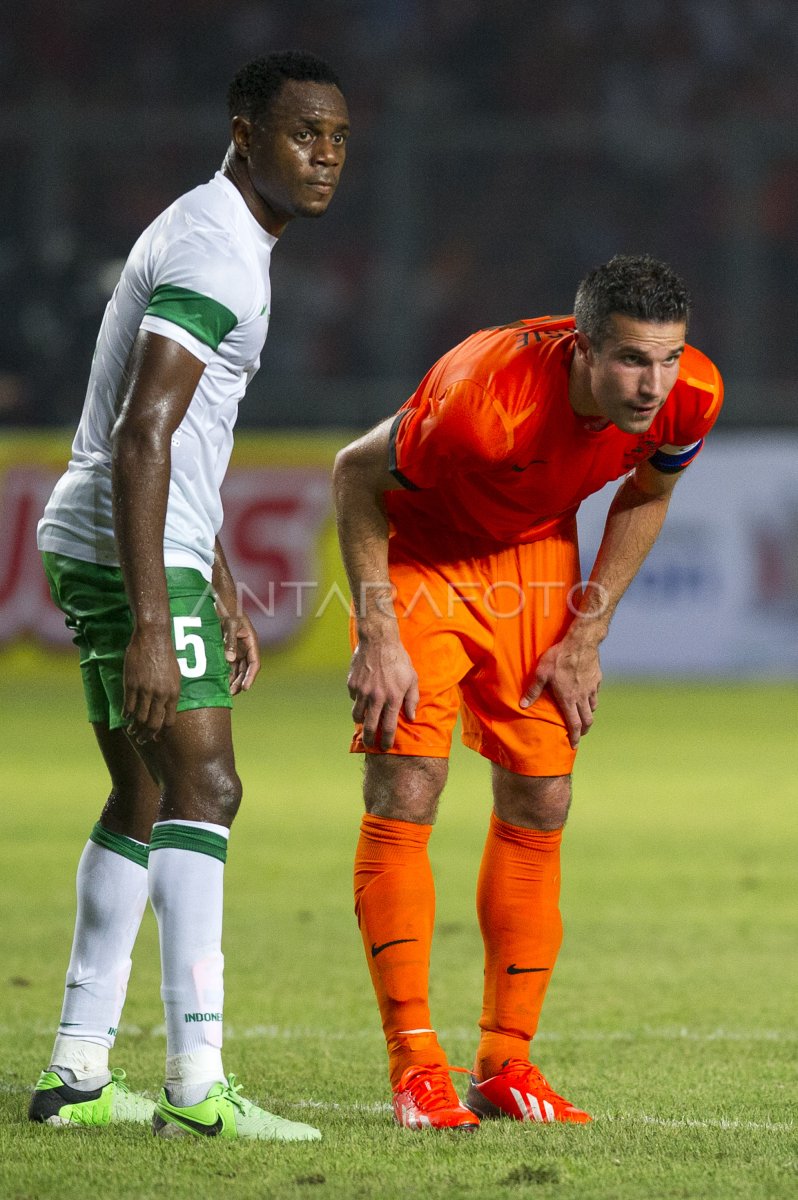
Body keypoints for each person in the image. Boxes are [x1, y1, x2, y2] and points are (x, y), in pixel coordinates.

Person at [32, 51, 349, 1140]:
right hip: (129, 547)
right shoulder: (220, 248)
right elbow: (143, 435)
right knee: (207, 791)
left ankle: (76, 1074)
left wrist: (213, 577)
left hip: (105, 539)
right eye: (305, 132)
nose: (326, 156)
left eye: (340, 139)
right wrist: (157, 625)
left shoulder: (212, 230)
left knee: (146, 798)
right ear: (245, 129)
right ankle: (194, 1086)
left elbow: (175, 438)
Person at [333, 255, 723, 1131]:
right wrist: (381, 635)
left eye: (666, 357)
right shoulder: (486, 400)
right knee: (407, 782)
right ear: (582, 350)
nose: (651, 383)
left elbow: (648, 493)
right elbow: (355, 474)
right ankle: (415, 1066)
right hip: (423, 558)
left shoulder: (691, 393)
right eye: (629, 360)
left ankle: (506, 1061)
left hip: (537, 564)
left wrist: (588, 632)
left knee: (543, 796)